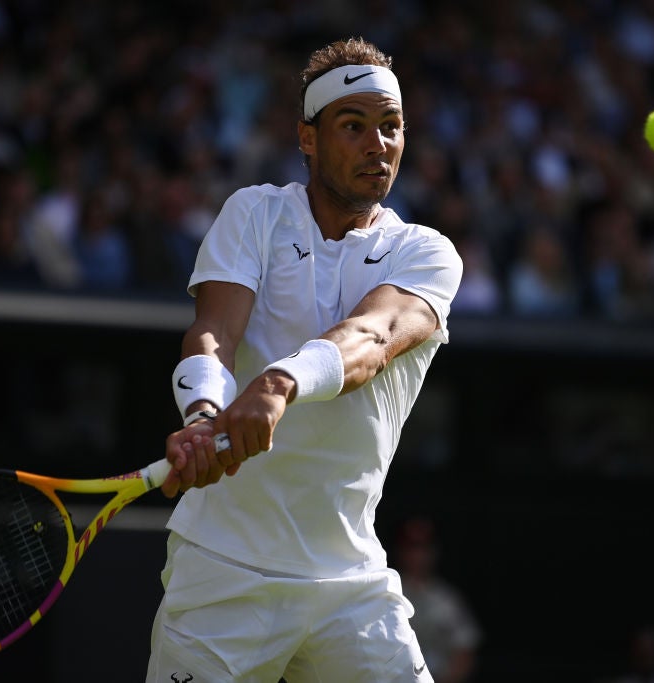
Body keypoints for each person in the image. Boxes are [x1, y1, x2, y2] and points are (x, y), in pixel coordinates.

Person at [145, 37, 464, 683]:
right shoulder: (254, 214)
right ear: (308, 138)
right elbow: (212, 333)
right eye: (353, 126)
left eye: (391, 127)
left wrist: (279, 382)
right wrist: (205, 414)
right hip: (222, 571)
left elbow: (372, 339)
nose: (378, 145)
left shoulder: (426, 252)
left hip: (350, 583)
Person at [393, 516, 483, 683]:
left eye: (424, 548)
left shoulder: (448, 600)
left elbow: (465, 650)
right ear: (401, 551)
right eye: (411, 548)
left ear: (434, 552)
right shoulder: (389, 594)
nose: (418, 555)